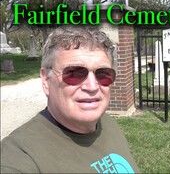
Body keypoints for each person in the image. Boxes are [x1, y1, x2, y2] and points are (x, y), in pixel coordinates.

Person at [1, 26, 140, 173]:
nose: (92, 87)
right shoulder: (19, 157)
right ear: (46, 79)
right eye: (74, 73)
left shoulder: (106, 123)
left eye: (103, 74)